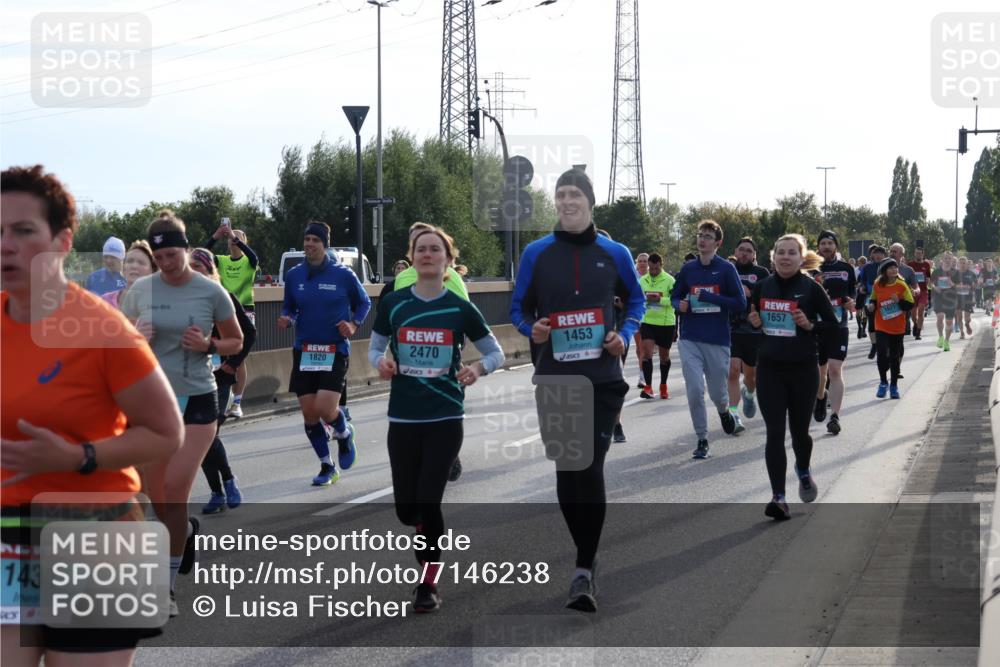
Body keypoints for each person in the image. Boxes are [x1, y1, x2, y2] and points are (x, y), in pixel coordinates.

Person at [2, 165, 182, 664]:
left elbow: (166, 433)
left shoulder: (103, 330)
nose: (5, 245)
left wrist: (77, 455)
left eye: (22, 231)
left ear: (62, 241)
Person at [510, 168, 644, 612]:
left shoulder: (615, 252)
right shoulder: (536, 253)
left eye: (575, 195)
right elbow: (518, 308)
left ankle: (584, 567)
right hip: (556, 377)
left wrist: (624, 333)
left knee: (590, 468)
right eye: (560, 195)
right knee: (568, 473)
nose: (567, 201)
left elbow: (637, 300)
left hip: (603, 378)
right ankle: (584, 555)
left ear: (589, 202)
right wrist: (536, 329)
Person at [369, 226, 503, 613]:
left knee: (429, 499)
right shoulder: (395, 303)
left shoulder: (461, 308)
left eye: (435, 250)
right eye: (421, 249)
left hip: (445, 415)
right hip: (404, 417)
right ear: (412, 257)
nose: (428, 255)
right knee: (407, 510)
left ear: (447, 261)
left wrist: (479, 369)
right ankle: (424, 531)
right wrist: (381, 361)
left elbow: (494, 351)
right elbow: (375, 346)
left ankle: (427, 583)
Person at [121, 210, 244, 616]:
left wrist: (208, 345)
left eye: (173, 255)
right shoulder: (139, 292)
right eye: (160, 259)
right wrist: (136, 338)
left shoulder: (210, 292)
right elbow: (114, 348)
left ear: (187, 251)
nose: (167, 265)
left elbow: (236, 342)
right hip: (153, 403)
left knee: (174, 492)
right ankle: (184, 535)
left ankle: (166, 588)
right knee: (158, 500)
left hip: (198, 400)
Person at [746, 234, 837, 521]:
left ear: (801, 258)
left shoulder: (811, 288)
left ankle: (804, 470)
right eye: (780, 252)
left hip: (803, 369)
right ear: (772, 257)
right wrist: (754, 322)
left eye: (791, 253)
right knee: (774, 433)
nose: (785, 257)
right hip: (770, 369)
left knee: (800, 434)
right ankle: (779, 497)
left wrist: (810, 325)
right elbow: (751, 322)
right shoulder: (762, 287)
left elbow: (833, 326)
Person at [279, 222, 370, 487]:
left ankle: (343, 433)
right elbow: (290, 306)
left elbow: (364, 302)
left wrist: (353, 324)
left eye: (314, 240)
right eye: (306, 239)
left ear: (324, 244)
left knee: (324, 408)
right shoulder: (295, 275)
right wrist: (287, 317)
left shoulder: (343, 275)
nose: (309, 244)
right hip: (305, 350)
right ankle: (327, 465)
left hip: (334, 349)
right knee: (309, 413)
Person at [397, 222, 471, 481]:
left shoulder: (452, 278)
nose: (424, 252)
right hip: (412, 358)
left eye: (429, 246)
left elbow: (466, 314)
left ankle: (449, 453)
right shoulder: (402, 279)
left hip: (447, 356)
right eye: (417, 245)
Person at [669, 220, 747, 459]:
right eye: (700, 235)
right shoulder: (688, 269)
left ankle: (724, 411)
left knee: (716, 393)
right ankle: (702, 438)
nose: (702, 239)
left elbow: (740, 303)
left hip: (717, 340)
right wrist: (678, 304)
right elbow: (675, 295)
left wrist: (711, 298)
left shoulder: (726, 269)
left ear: (718, 243)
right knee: (694, 389)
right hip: (690, 338)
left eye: (708, 236)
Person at [188, 248, 256, 515]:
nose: (194, 272)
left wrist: (233, 363)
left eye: (199, 267)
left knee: (209, 432)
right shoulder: (181, 301)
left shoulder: (223, 297)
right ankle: (217, 492)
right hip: (192, 378)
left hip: (221, 376)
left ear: (209, 270)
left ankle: (228, 480)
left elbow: (249, 333)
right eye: (189, 267)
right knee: (198, 436)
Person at [206, 224, 259, 419]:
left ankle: (237, 401)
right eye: (230, 237)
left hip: (244, 311)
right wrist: (215, 236)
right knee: (219, 355)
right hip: (222, 312)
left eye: (237, 237)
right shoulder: (221, 261)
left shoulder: (249, 262)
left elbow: (254, 258)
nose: (232, 239)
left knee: (239, 357)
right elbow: (201, 256)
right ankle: (221, 395)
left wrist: (236, 239)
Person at [813, 231, 856, 435]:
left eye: (830, 243)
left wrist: (852, 302)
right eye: (823, 243)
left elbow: (853, 292)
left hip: (839, 325)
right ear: (818, 247)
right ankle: (821, 396)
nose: (826, 246)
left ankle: (835, 416)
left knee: (835, 370)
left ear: (836, 247)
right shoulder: (810, 268)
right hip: (816, 327)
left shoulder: (846, 268)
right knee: (820, 372)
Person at [727, 237, 770, 433]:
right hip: (731, 328)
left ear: (754, 255)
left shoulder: (761, 273)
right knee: (733, 371)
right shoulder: (728, 270)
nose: (744, 253)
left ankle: (749, 393)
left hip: (753, 330)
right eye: (741, 249)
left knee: (751, 377)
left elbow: (768, 299)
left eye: (748, 250)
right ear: (735, 252)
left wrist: (750, 293)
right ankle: (733, 414)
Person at [866, 258, 914, 398]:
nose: (894, 269)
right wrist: (871, 305)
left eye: (895, 267)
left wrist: (898, 301)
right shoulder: (878, 284)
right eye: (891, 268)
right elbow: (873, 299)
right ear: (884, 271)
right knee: (881, 354)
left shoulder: (902, 285)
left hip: (897, 326)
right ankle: (882, 383)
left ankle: (893, 386)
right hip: (881, 325)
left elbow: (910, 304)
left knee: (894, 356)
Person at [638, 253, 676, 400]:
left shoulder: (670, 280)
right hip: (647, 321)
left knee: (664, 357)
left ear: (661, 265)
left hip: (666, 323)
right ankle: (648, 387)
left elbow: (674, 300)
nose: (653, 271)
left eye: (656, 268)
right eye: (651, 268)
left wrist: (660, 299)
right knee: (647, 353)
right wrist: (644, 299)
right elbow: (637, 298)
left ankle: (663, 385)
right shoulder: (642, 280)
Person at [102, 240, 156, 309]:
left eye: (141, 262)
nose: (134, 266)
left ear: (153, 270)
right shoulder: (104, 301)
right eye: (130, 261)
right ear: (123, 268)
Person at [856, 245, 886, 359]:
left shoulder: (888, 266)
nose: (877, 255)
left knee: (884, 322)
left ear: (884, 255)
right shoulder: (867, 267)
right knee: (872, 322)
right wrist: (862, 288)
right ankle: (874, 345)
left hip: (886, 299)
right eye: (875, 253)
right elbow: (861, 281)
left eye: (880, 253)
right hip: (870, 298)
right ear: (872, 255)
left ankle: (884, 345)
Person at [930, 253, 959, 351]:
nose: (947, 260)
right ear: (942, 259)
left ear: (952, 260)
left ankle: (947, 341)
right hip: (939, 297)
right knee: (940, 317)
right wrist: (935, 287)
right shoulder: (936, 271)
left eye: (949, 259)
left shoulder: (956, 272)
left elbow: (959, 287)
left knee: (949, 321)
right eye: (946, 258)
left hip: (951, 299)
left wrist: (952, 284)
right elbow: (930, 284)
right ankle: (941, 337)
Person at [906, 245, 932, 340]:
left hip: (923, 291)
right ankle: (915, 325)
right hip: (912, 291)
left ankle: (918, 333)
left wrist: (927, 281)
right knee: (913, 314)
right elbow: (907, 278)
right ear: (914, 254)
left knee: (921, 310)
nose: (918, 255)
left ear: (922, 254)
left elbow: (928, 277)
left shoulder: (926, 265)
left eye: (920, 253)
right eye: (916, 253)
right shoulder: (910, 264)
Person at [633, 253, 649, 388]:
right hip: (636, 314)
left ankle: (642, 376)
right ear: (637, 262)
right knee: (639, 346)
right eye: (640, 261)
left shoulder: (654, 276)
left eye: (645, 261)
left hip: (651, 316)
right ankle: (642, 371)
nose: (643, 263)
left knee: (643, 346)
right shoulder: (632, 276)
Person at [955, 257, 976, 337]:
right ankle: (962, 333)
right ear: (958, 264)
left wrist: (972, 286)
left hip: (968, 298)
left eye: (964, 263)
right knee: (959, 317)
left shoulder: (971, 274)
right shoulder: (955, 274)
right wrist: (957, 286)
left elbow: (975, 285)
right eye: (961, 263)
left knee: (967, 317)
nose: (962, 265)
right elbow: (950, 285)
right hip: (957, 298)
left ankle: (967, 324)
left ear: (967, 264)